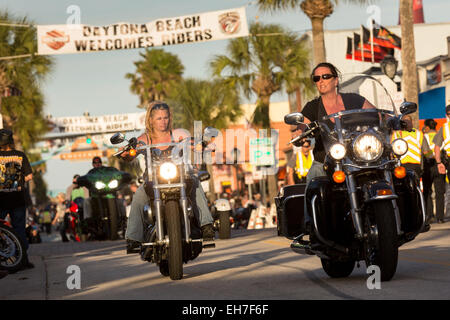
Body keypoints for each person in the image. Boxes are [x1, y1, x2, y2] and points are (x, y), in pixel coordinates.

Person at [121, 101, 214, 252]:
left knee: (195, 182)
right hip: (153, 180)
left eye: (165, 117)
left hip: (180, 177)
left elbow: (191, 142)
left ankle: (207, 226)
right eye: (159, 118)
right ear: (151, 120)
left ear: (170, 118)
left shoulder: (178, 134)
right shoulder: (145, 139)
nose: (163, 121)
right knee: (138, 194)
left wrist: (201, 144)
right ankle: (133, 238)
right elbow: (129, 154)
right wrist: (127, 151)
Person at [299, 62, 375, 234]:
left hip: (357, 158)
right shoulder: (313, 107)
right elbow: (301, 125)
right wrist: (301, 132)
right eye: (316, 78)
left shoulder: (353, 99)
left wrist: (396, 120)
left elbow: (376, 114)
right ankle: (311, 227)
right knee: (314, 177)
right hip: (326, 160)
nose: (321, 81)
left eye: (326, 76)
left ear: (336, 80)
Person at [0, 128, 34, 270]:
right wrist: (19, 181)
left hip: (1, 199)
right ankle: (23, 261)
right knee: (19, 230)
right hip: (18, 198)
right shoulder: (20, 155)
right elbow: (29, 176)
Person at [421, 119, 445, 224]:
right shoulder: (441, 134)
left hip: (428, 165)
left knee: (427, 191)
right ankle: (440, 217)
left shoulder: (424, 136)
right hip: (439, 163)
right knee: (440, 192)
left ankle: (430, 216)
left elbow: (424, 151)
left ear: (427, 127)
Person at [391, 114, 427, 179]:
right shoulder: (418, 133)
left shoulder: (396, 134)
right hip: (413, 164)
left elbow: (391, 150)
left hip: (402, 164)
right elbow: (426, 151)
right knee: (415, 183)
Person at [432, 105, 450, 223]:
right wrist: (439, 163)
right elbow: (437, 147)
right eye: (449, 114)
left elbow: (437, 147)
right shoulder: (444, 128)